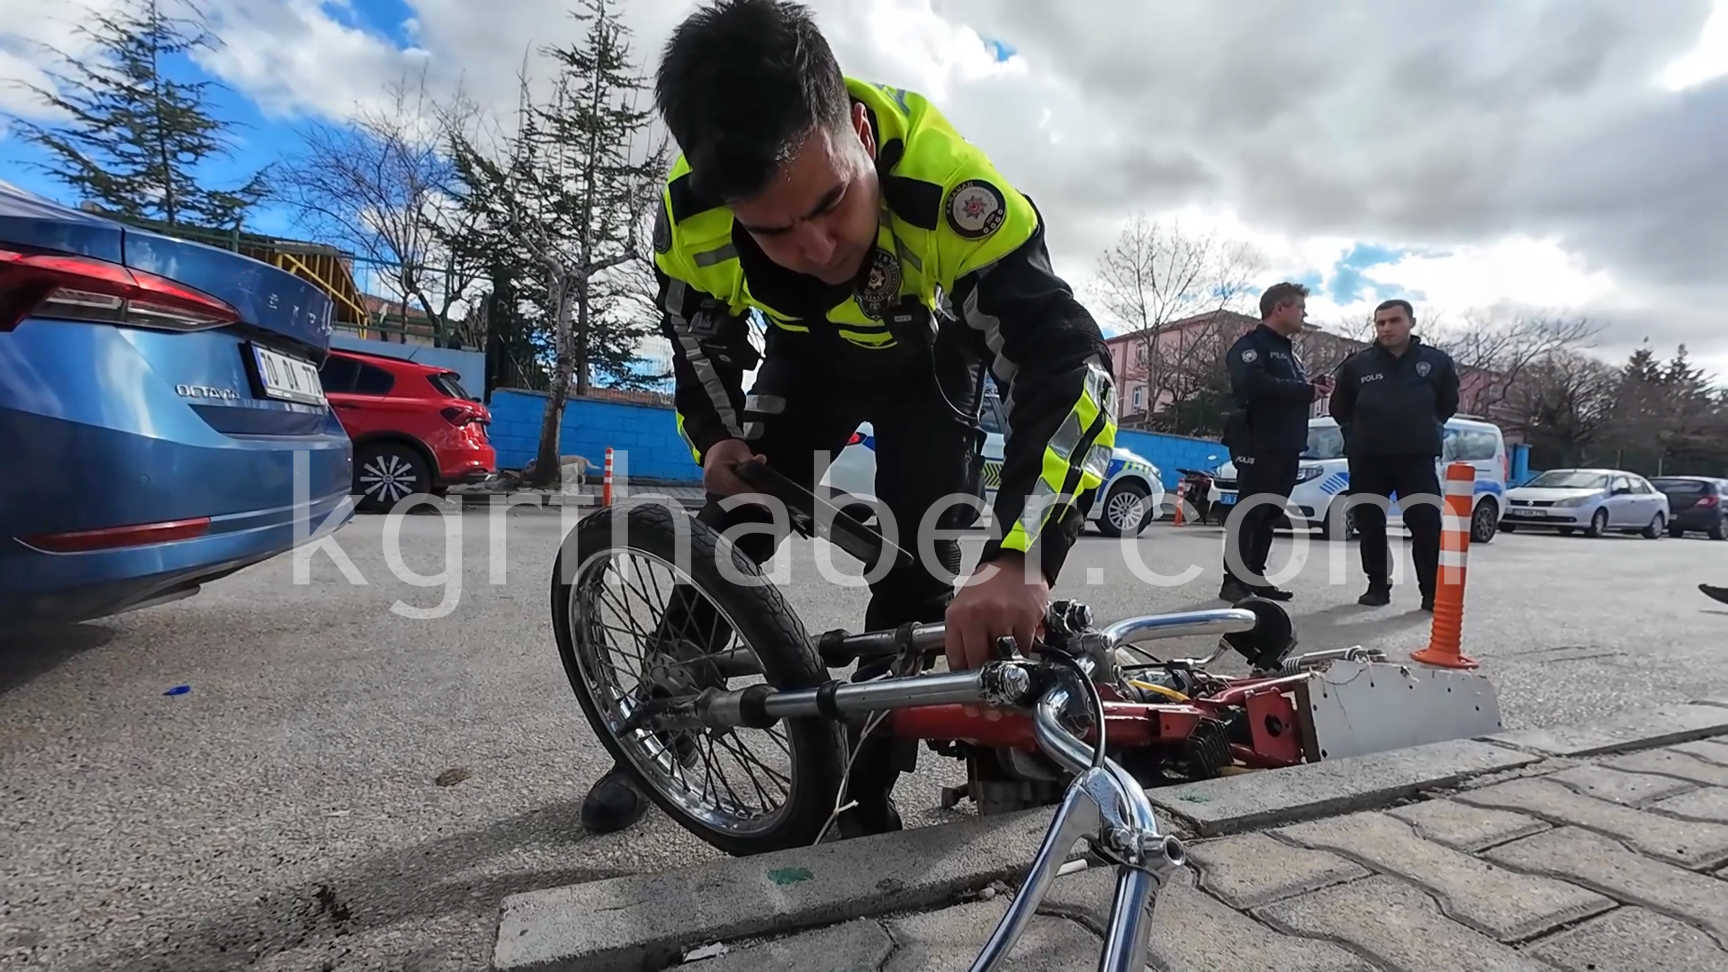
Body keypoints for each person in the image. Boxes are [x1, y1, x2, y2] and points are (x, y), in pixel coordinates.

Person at [580, 0, 1116, 836]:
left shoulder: (954, 192)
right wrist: (715, 437)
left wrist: (1022, 554)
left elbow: (1070, 370)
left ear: (859, 131)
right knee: (734, 527)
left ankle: (864, 789)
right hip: (808, 359)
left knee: (918, 574)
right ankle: (658, 725)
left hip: (929, 365)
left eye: (833, 201)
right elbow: (696, 333)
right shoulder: (691, 218)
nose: (819, 246)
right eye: (775, 231)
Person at [1329, 299, 1458, 611]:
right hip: (1368, 457)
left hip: (1416, 457)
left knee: (1426, 523)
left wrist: (1421, 427)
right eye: (1380, 322)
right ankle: (1377, 585)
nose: (1386, 328)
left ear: (1410, 322)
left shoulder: (1436, 362)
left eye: (1394, 321)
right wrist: (1358, 435)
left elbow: (1447, 404)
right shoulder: (1358, 365)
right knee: (1369, 522)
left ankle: (1431, 592)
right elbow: (1339, 408)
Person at [1218, 283, 1332, 603]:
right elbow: (1252, 385)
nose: (1304, 314)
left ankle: (1254, 576)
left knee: (1269, 513)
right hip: (1258, 442)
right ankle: (1233, 581)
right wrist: (1304, 391)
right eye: (1300, 308)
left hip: (1287, 444)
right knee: (1250, 511)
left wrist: (1312, 388)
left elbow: (1287, 390)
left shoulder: (1291, 354)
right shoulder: (1251, 346)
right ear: (1280, 308)